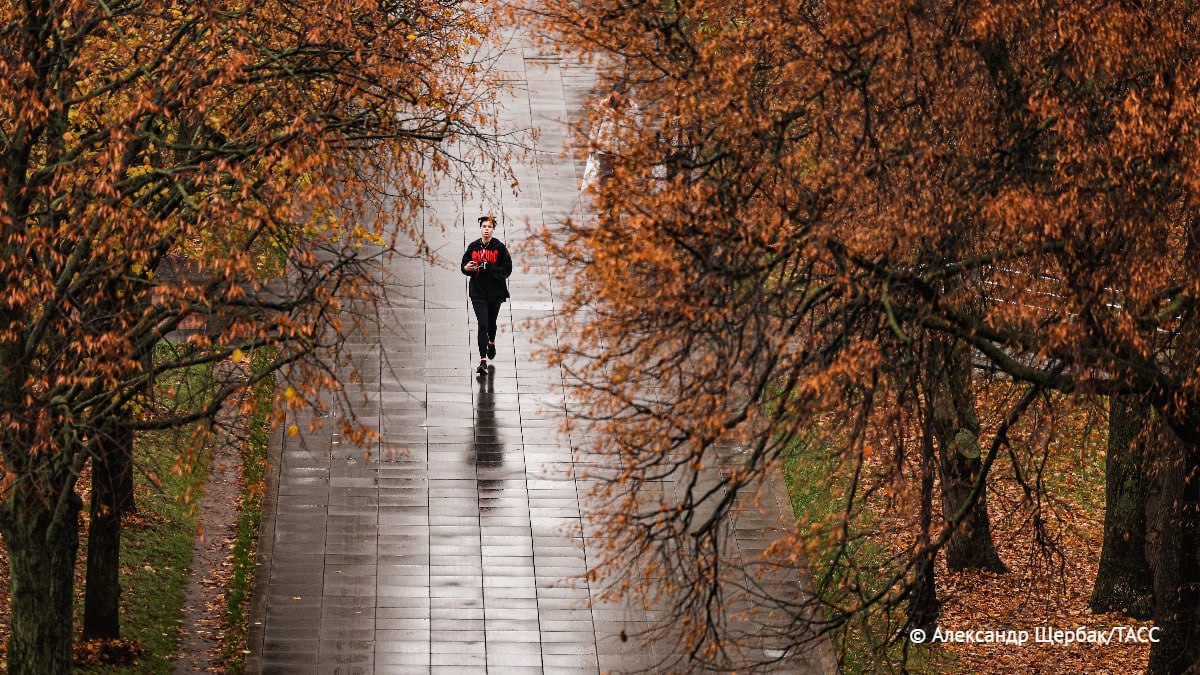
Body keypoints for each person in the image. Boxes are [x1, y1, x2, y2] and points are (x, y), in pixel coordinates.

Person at [461, 214, 513, 375]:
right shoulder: (473, 247)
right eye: (484, 226)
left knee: (491, 324)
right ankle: (482, 361)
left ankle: (491, 342)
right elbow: (464, 265)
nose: (486, 229)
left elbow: (507, 270)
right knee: (482, 324)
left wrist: (490, 267)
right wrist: (466, 268)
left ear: (493, 229)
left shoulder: (500, 248)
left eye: (489, 227)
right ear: (480, 228)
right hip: (478, 293)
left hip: (495, 293)